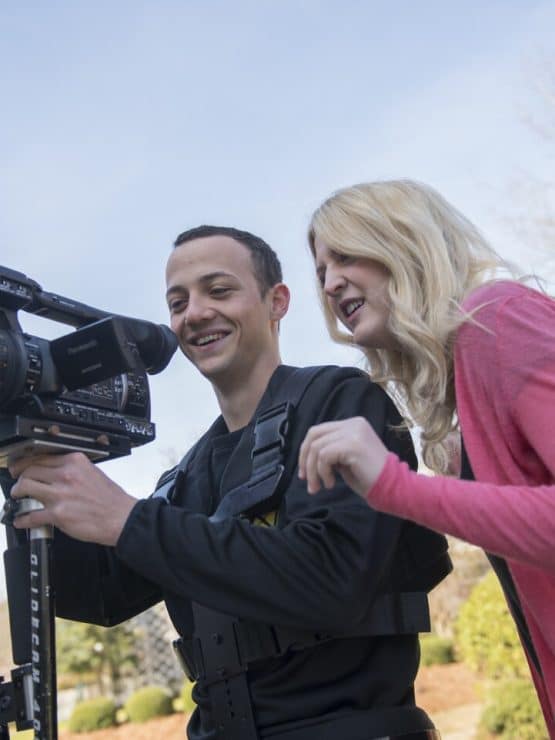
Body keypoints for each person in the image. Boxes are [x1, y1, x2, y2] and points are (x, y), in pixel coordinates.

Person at [10, 225, 450, 740]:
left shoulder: (341, 403)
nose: (194, 313)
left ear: (276, 302)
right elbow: (93, 596)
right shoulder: (185, 477)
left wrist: (129, 519)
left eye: (218, 290)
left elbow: (331, 578)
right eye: (178, 302)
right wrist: (21, 470)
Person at [298, 179, 555, 735]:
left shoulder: (499, 318)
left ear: (404, 242)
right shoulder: (468, 374)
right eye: (321, 271)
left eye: (346, 253)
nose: (331, 281)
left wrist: (394, 486)